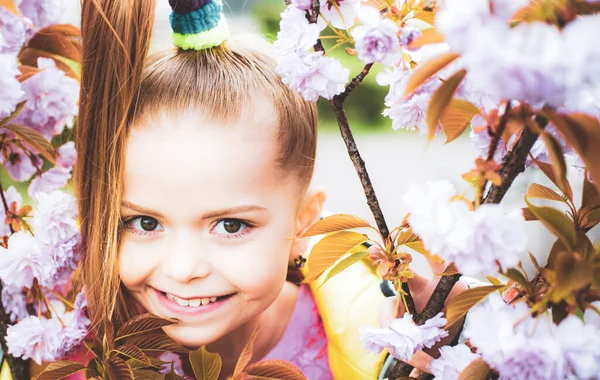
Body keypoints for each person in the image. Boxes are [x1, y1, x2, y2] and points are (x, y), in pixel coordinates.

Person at [74, 1, 466, 379]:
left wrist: (457, 337)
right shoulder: (74, 354)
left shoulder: (364, 340)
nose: (183, 269)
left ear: (303, 225)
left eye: (229, 226)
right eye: (144, 222)